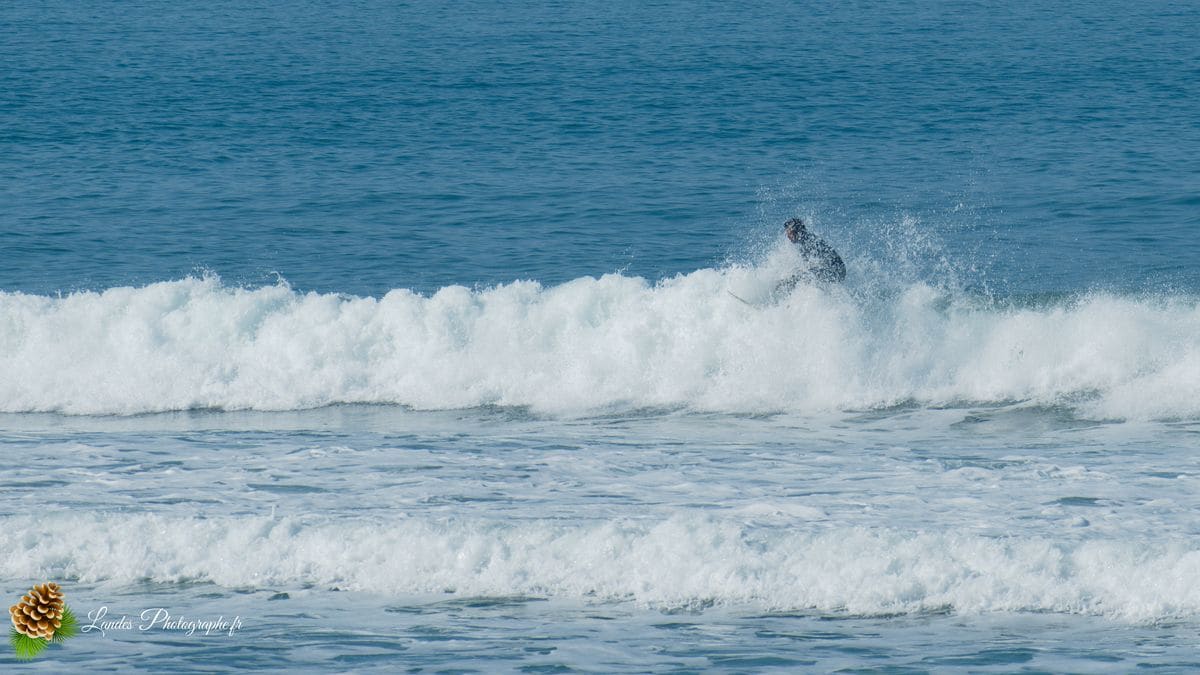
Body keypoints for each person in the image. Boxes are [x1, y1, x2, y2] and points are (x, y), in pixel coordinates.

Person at [775, 218, 846, 294]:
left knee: (802, 276)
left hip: (836, 271)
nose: (788, 236)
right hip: (836, 270)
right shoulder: (806, 239)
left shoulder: (807, 241)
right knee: (802, 275)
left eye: (789, 232)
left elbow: (808, 266)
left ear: (796, 231)